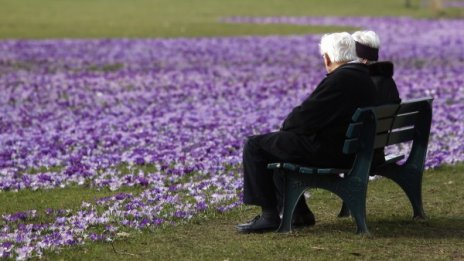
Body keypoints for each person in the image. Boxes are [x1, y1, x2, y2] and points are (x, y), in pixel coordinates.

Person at [236, 32, 378, 233]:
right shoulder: (361, 76)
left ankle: (269, 215)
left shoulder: (340, 79)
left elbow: (304, 117)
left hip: (334, 152)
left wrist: (288, 125)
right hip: (350, 148)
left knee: (255, 145)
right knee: (279, 145)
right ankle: (299, 213)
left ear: (328, 58)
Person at [351, 30, 401, 168]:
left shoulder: (360, 84)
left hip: (354, 157)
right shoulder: (388, 82)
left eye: (350, 54)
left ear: (364, 60)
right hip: (377, 154)